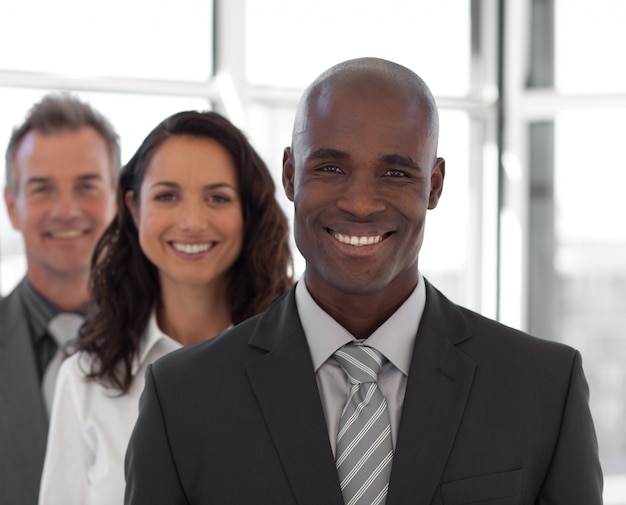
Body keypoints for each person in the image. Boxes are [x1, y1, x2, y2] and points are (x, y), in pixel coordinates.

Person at [124, 58, 603, 505]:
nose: (360, 203)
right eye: (331, 168)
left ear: (434, 185)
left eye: (395, 172)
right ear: (291, 175)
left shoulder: (542, 388)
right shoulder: (183, 396)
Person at [37, 110, 293, 505]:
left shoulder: (298, 363)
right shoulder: (85, 380)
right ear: (134, 208)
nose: (191, 221)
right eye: (167, 196)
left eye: (217, 197)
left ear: (248, 213)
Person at [0, 93, 119, 505]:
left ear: (119, 199)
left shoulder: (173, 346)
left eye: (86, 185)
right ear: (12, 206)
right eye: (42, 189)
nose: (65, 210)